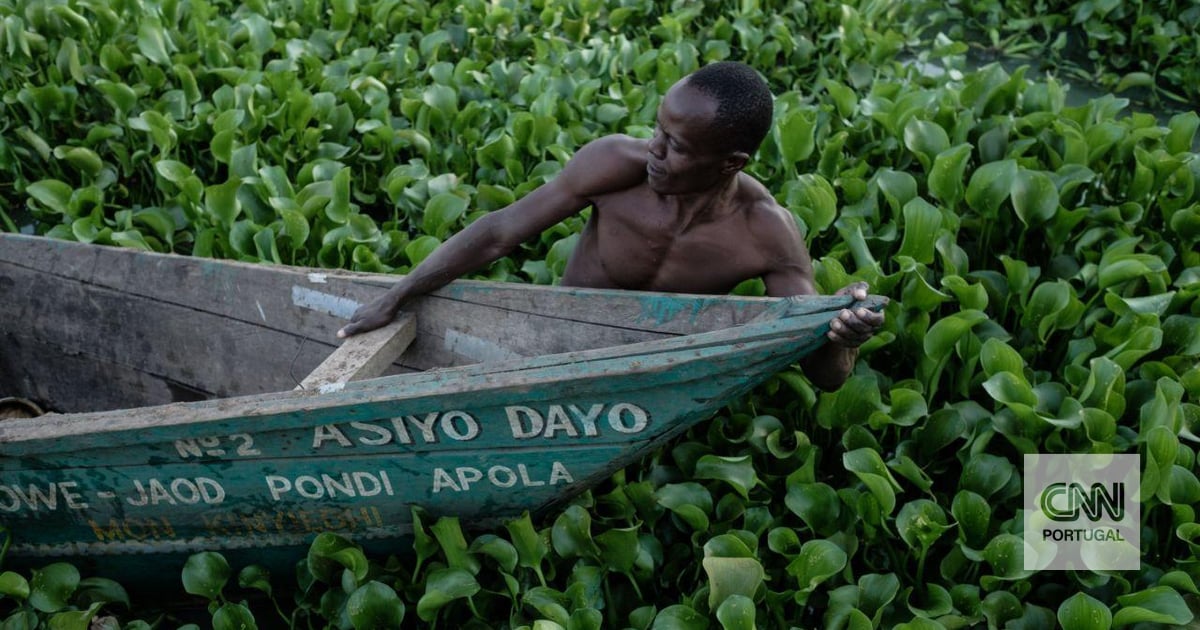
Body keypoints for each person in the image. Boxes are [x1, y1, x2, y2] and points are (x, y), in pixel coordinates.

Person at [338, 61, 883, 390]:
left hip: (657, 368)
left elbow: (826, 376)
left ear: (731, 163)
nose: (654, 150)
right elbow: (502, 230)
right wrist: (400, 292)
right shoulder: (614, 165)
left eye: (676, 146)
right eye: (658, 131)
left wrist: (840, 335)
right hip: (558, 344)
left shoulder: (766, 233)